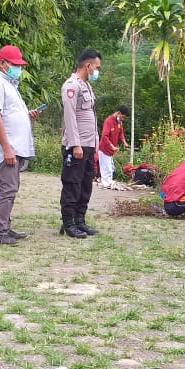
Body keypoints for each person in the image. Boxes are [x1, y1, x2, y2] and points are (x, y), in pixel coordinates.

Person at [0, 44, 41, 245]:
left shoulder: (10, 85)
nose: (18, 68)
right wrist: (7, 148)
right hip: (10, 147)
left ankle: (6, 226)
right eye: (14, 64)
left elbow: (9, 115)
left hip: (15, 146)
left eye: (19, 64)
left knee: (12, 188)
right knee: (8, 189)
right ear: (2, 64)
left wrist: (27, 116)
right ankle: (0, 232)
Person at [60, 49, 103, 238]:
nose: (97, 70)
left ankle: (79, 221)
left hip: (88, 145)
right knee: (72, 184)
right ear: (88, 66)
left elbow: (90, 117)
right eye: (97, 67)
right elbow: (70, 118)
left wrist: (95, 143)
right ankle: (68, 224)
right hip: (76, 146)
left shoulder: (86, 86)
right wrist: (75, 144)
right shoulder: (71, 86)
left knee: (85, 185)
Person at [97, 106, 129, 189]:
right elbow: (104, 136)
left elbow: (121, 133)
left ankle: (108, 182)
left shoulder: (119, 122)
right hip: (104, 149)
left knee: (111, 168)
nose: (123, 119)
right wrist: (112, 146)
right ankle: (106, 183)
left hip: (110, 151)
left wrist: (124, 142)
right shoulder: (108, 121)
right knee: (107, 168)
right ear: (118, 113)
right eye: (123, 117)